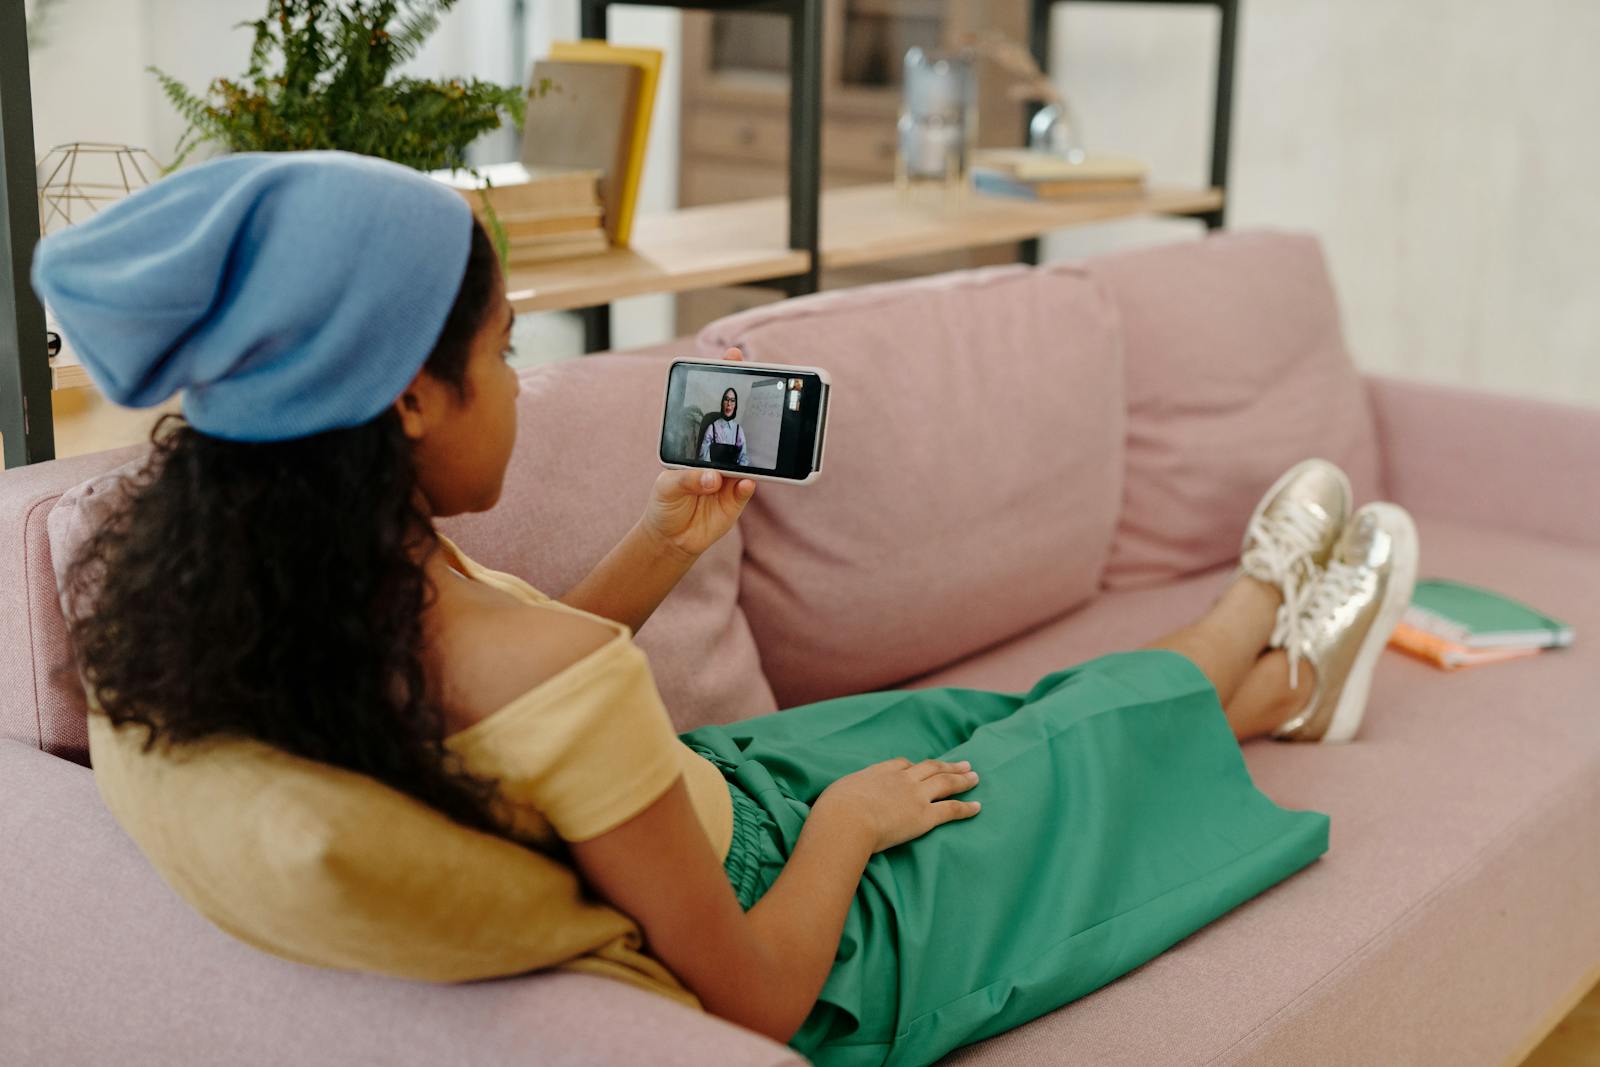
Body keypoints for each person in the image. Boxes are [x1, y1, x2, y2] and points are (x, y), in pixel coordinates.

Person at [34, 152, 1418, 1067]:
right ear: (406, 395)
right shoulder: (502, 647)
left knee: (1017, 715)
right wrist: (846, 824)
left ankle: (1294, 670)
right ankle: (1269, 626)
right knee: (1092, 723)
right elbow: (754, 995)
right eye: (504, 349)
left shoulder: (284, 601)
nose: (522, 382)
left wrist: (660, 541)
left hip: (707, 808)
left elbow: (524, 718)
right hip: (821, 936)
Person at [699, 386, 749, 466]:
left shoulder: (739, 430)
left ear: (735, 405)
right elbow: (704, 457)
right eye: (726, 399)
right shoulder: (712, 428)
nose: (729, 404)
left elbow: (743, 459)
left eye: (732, 400)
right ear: (722, 402)